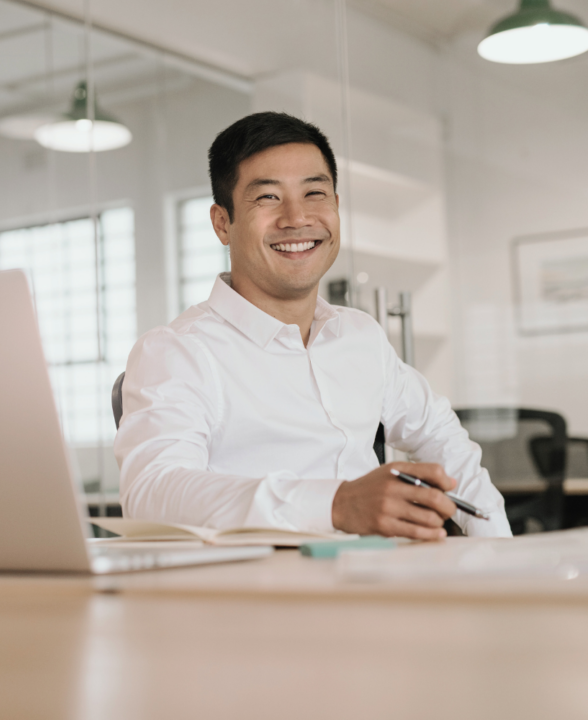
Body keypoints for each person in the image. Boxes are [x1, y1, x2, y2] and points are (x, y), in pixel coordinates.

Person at [114, 111, 511, 539]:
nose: (296, 218)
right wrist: (335, 505)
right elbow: (152, 492)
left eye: (315, 193)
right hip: (262, 594)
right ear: (222, 223)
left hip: (382, 584)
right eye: (267, 198)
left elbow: (439, 434)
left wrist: (499, 550)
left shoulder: (360, 335)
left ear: (336, 207)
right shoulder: (177, 351)